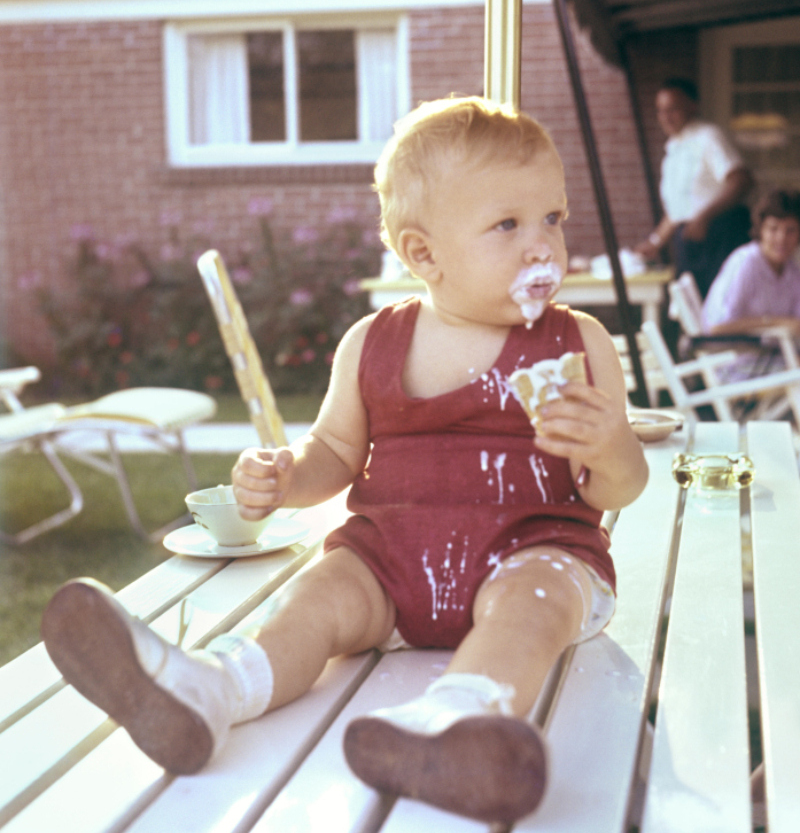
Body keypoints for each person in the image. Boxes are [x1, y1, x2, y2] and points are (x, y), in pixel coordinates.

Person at [40, 97, 649, 825]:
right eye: (508, 225)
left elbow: (622, 486)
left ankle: (457, 721)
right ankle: (212, 690)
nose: (544, 246)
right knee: (317, 598)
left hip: (536, 552)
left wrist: (610, 446)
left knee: (529, 609)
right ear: (424, 254)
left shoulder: (579, 345)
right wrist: (287, 478)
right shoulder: (372, 344)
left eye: (554, 217)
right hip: (388, 565)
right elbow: (332, 452)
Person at [636, 77, 753, 298]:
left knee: (720, 305)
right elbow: (678, 211)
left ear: (692, 105)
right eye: (661, 110)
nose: (666, 117)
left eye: (673, 109)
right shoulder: (672, 150)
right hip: (690, 241)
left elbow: (741, 180)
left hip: (720, 236)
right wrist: (654, 243)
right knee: (691, 308)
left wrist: (704, 217)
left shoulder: (708, 137)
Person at [703, 189, 800, 335]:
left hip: (781, 353)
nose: (782, 238)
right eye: (773, 229)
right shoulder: (746, 262)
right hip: (741, 354)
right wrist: (774, 322)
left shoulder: (792, 270)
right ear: (761, 230)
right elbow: (716, 325)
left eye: (790, 230)